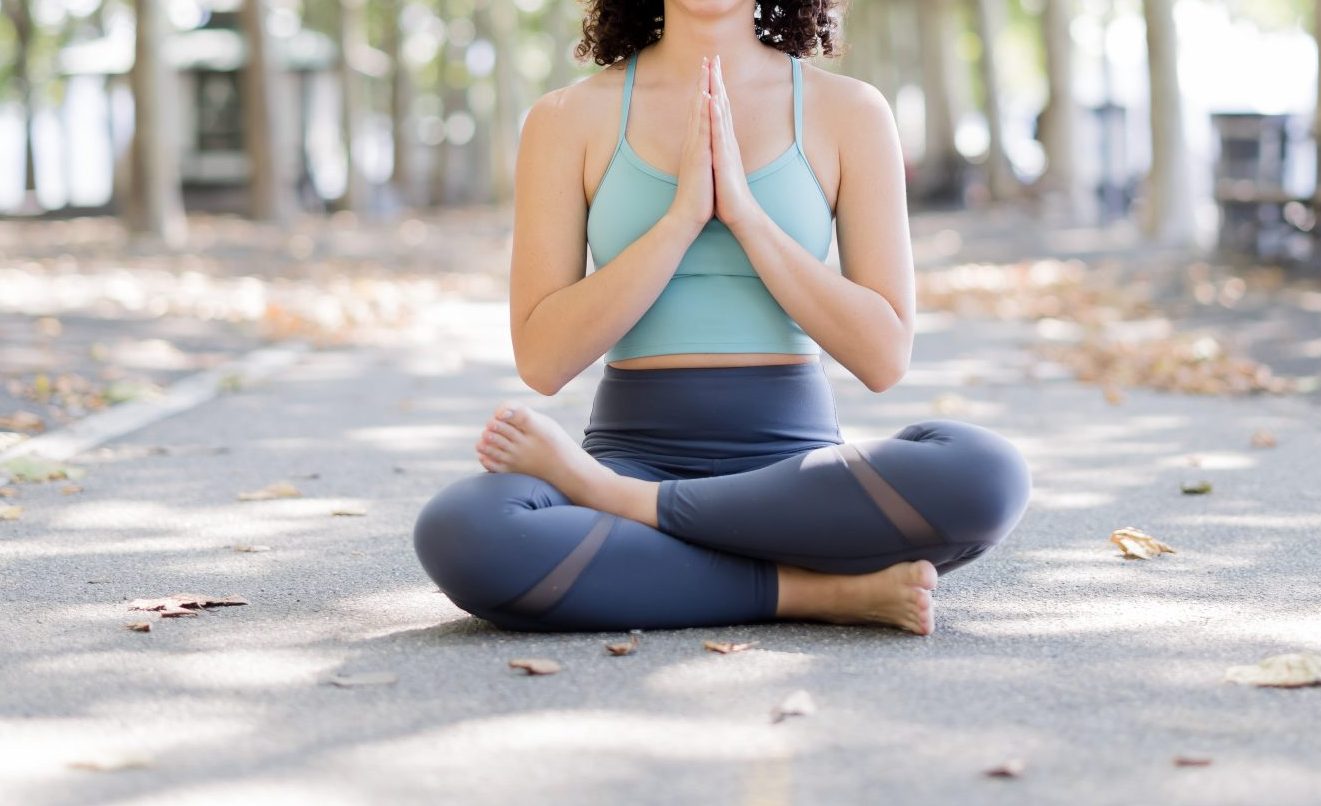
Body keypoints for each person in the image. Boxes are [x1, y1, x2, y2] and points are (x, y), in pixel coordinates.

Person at [412, 0, 1032, 635]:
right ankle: (818, 592)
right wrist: (679, 222)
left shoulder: (850, 111)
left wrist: (745, 215)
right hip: (632, 451)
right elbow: (543, 360)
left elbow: (884, 357)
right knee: (463, 529)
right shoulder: (567, 118)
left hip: (791, 480)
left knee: (988, 474)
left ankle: (635, 516)